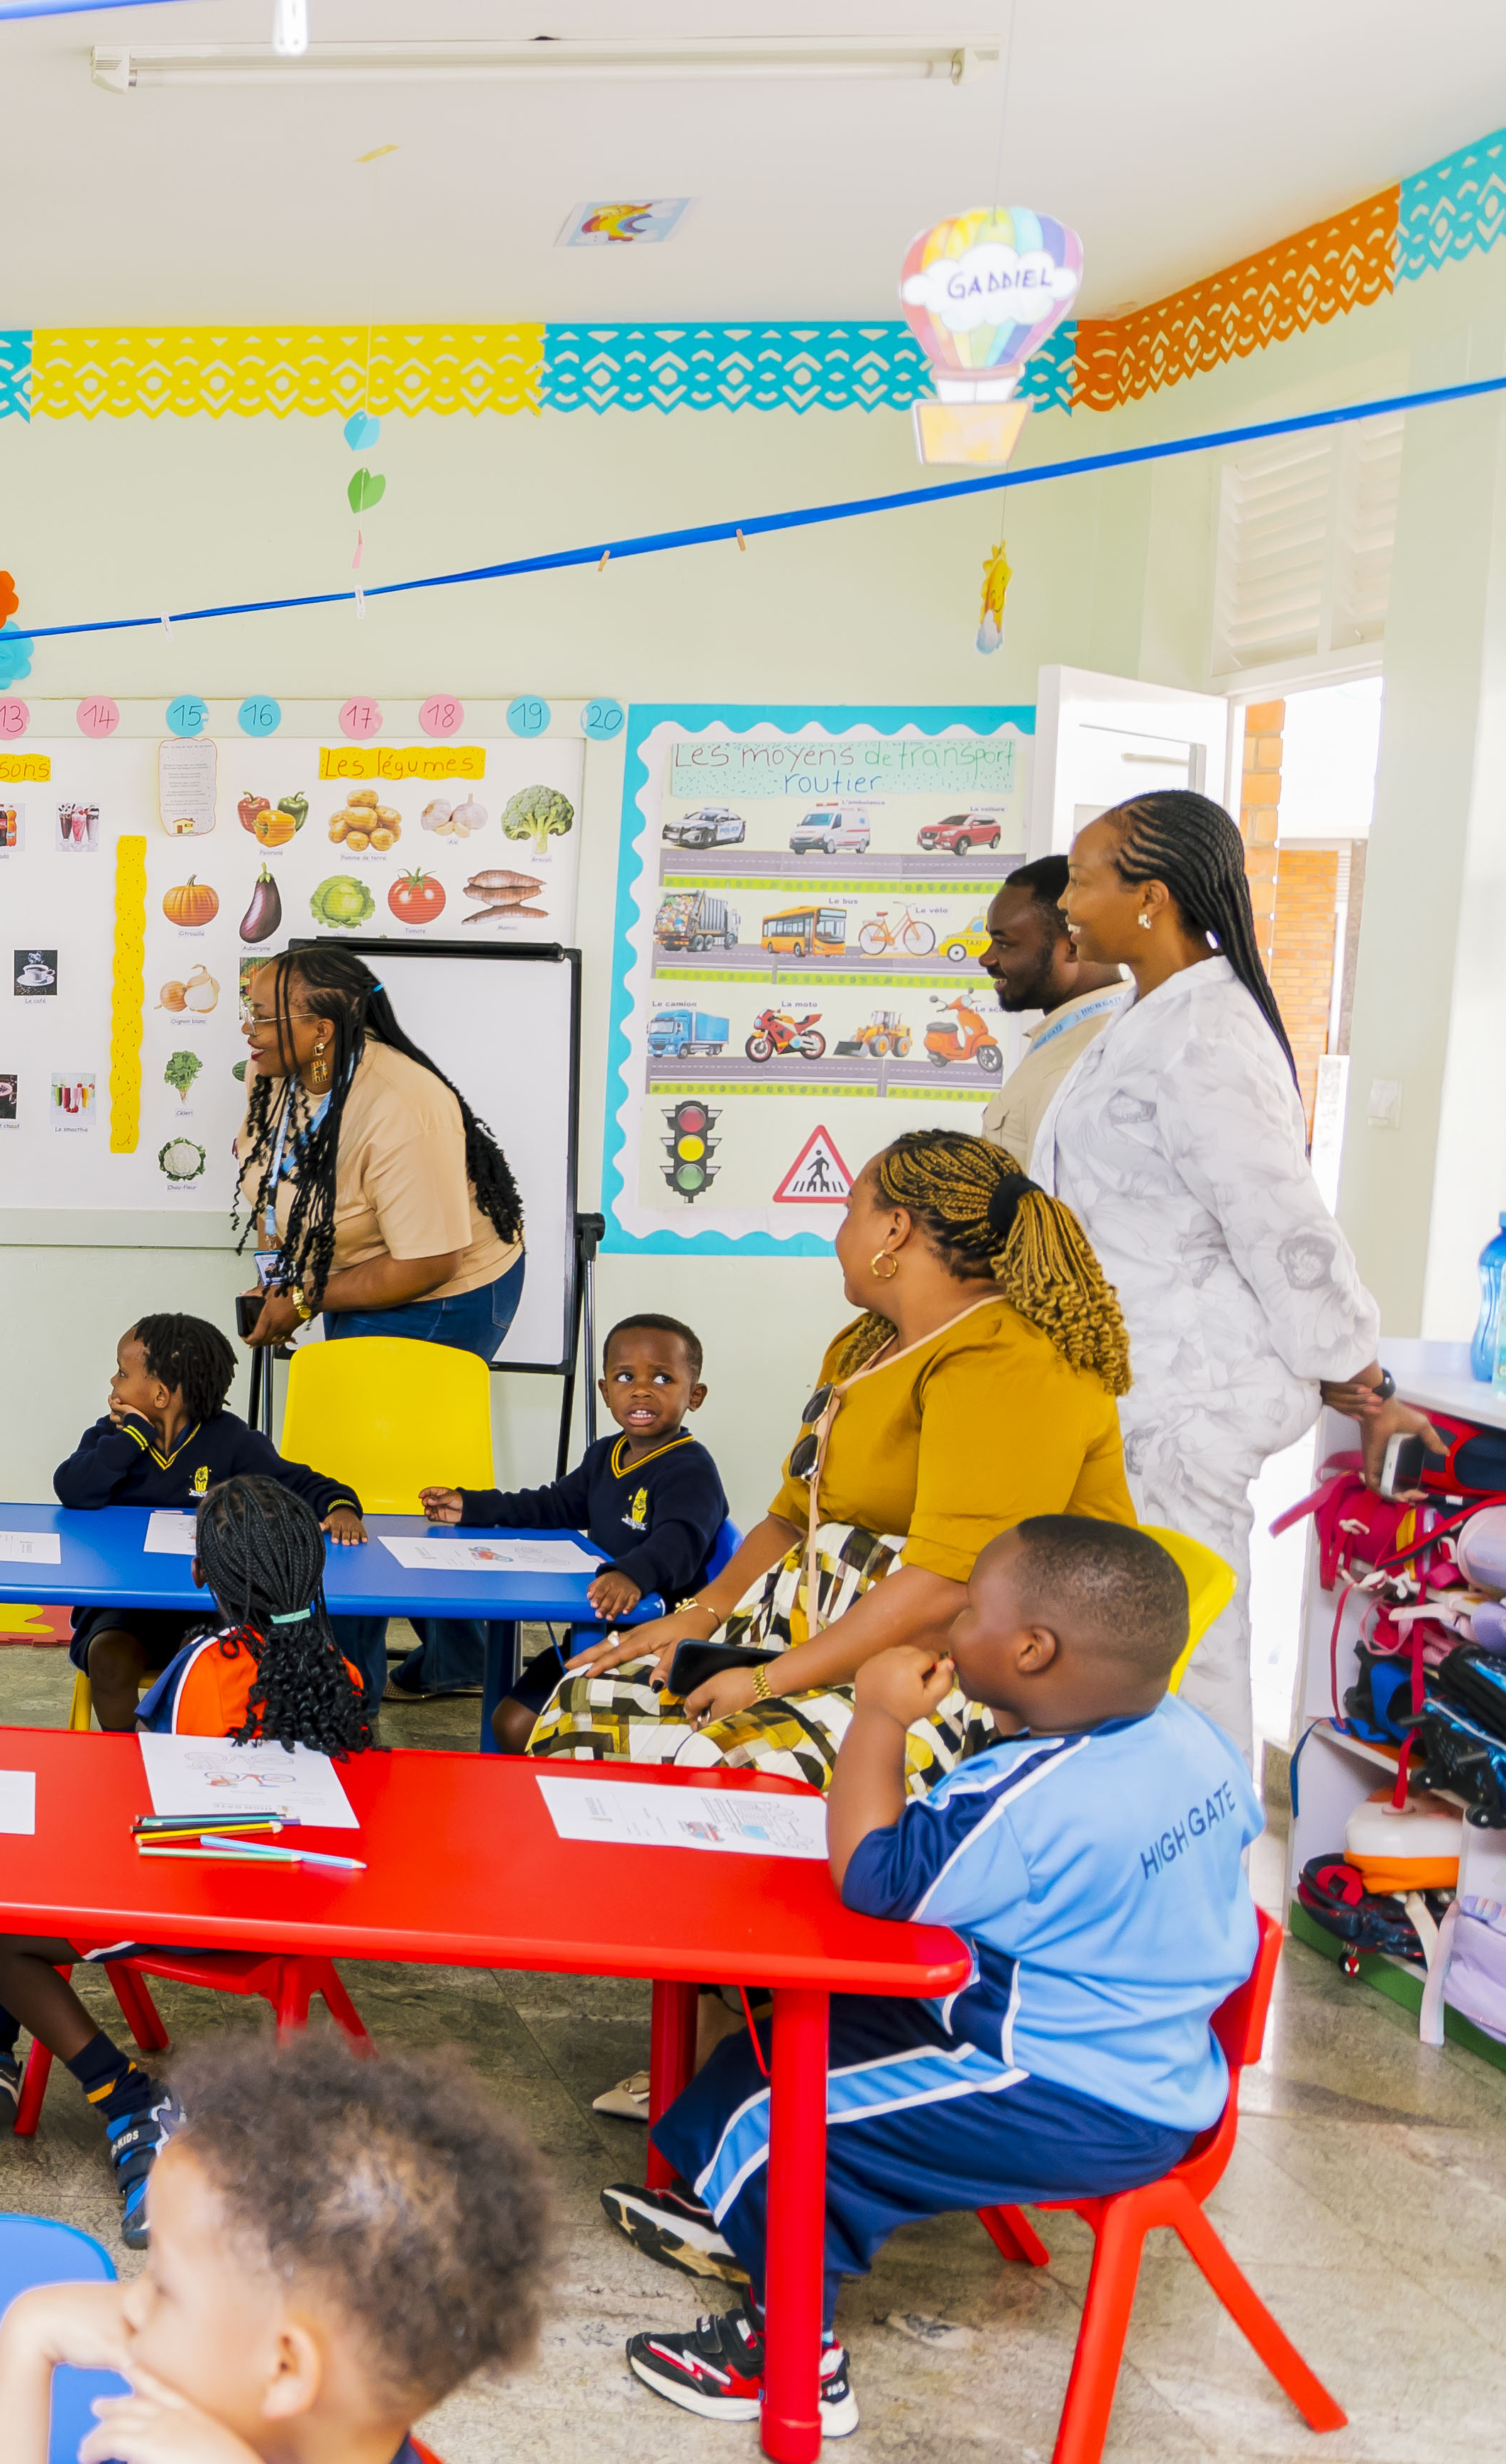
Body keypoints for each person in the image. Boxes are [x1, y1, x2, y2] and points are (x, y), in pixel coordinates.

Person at [532, 1131, 1136, 2114]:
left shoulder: (1010, 1361)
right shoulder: (866, 1349)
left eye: (850, 1211)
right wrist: (696, 1618)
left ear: (895, 1230)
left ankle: (761, 2052)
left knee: (730, 1760)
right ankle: (711, 2007)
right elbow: (787, 1517)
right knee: (591, 1702)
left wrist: (772, 1679)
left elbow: (945, 1582)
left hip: (963, 1679)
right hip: (828, 1635)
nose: (837, 1233)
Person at [613, 1517, 1256, 2439]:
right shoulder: (1192, 1737)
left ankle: (791, 2361)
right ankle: (743, 2223)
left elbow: (873, 1876)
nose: (950, 1624)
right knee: (776, 2049)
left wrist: (878, 1716)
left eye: (969, 1612)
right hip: (1156, 2061)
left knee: (784, 2123)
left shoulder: (1031, 1799)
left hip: (1066, 2090)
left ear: (1032, 1652)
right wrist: (1012, 1714)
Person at [0, 1480, 377, 2247]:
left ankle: (127, 2098)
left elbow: (148, 1800)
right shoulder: (340, 1672)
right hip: (301, 1911)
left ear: (203, 1574)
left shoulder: (203, 1667)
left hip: (201, 1909)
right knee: (43, 1882)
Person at [1038, 787, 1422, 1749]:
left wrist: (1363, 1380)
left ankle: (1207, 1830)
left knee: (1186, 1652)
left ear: (1152, 898)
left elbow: (1282, 1225)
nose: (1067, 903)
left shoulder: (1207, 1035)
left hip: (1188, 1403)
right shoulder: (1149, 1014)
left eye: (1081, 880)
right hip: (1127, 1391)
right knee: (1119, 1655)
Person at [0, 2042, 551, 2464]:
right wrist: (30, 2331)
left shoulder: (176, 2444)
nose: (128, 2305)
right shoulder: (191, 2423)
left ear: (285, 2368)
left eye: (163, 2288)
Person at [232, 944, 529, 1701]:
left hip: (447, 1288)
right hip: (363, 1271)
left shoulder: (404, 1103)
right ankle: (460, 1660)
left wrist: (305, 1299)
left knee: (357, 1480)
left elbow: (426, 1261)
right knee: (382, 1470)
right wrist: (278, 1284)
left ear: (322, 1028)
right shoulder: (274, 1076)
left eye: (262, 1016)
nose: (248, 1030)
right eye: (248, 1012)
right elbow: (269, 1189)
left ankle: (344, 1689)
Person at [419, 1315, 727, 1753]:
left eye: (662, 1378)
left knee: (538, 1732)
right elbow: (554, 1505)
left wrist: (631, 1574)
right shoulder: (605, 1454)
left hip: (653, 1645)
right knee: (512, 1723)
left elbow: (680, 1542)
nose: (641, 1390)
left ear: (694, 1396)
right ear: (605, 1391)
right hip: (593, 1630)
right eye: (625, 1377)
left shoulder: (691, 1470)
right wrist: (475, 1507)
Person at [53, 1312, 363, 1731]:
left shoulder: (230, 1440)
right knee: (107, 1658)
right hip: (123, 1601)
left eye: (123, 1373)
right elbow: (72, 1489)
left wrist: (341, 1507)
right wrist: (133, 1438)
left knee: (208, 1655)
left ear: (160, 1394)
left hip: (209, 1600)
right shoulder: (112, 1436)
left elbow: (300, 1484)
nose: (113, 1381)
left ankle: (188, 1751)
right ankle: (129, 1755)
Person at [975, 854, 1129, 1160]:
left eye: (1004, 943)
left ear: (1072, 946)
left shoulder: (1091, 1058)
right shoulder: (1076, 1034)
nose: (986, 959)